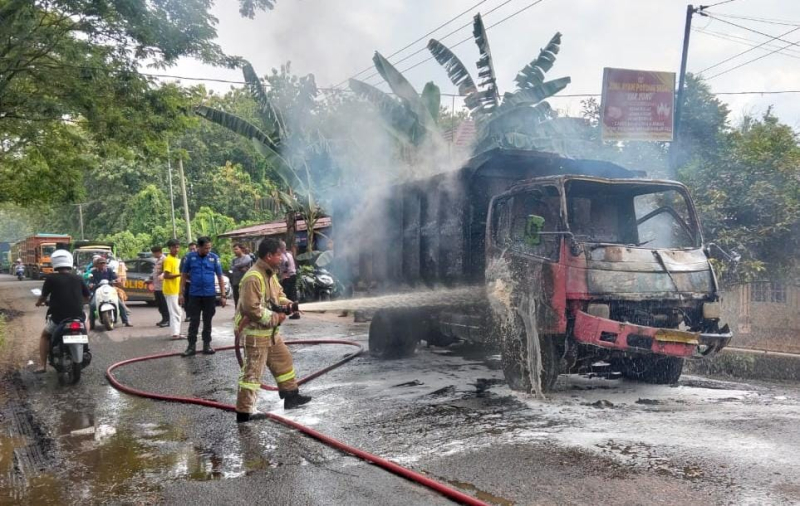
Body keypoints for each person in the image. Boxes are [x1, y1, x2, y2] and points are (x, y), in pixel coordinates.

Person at [234, 238, 311, 422]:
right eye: (279, 255)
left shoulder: (269, 274)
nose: (282, 258)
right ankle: (244, 412)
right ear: (269, 256)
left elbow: (279, 297)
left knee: (284, 360)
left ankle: (291, 397)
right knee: (252, 374)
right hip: (255, 334)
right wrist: (277, 317)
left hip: (271, 333)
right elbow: (252, 309)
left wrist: (290, 305)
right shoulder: (253, 277)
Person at [34, 250, 90, 373]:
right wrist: (80, 302)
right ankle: (85, 345)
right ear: (70, 262)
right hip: (77, 317)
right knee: (86, 322)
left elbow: (43, 297)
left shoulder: (51, 278)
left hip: (58, 319)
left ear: (55, 263)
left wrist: (39, 303)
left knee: (45, 336)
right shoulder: (78, 278)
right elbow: (87, 297)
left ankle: (42, 366)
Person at [179, 236, 226, 356]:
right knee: (194, 321)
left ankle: (207, 345)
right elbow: (183, 275)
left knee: (207, 320)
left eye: (209, 248)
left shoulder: (214, 258)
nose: (208, 250)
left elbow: (220, 276)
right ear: (199, 247)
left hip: (209, 295)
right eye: (206, 248)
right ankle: (191, 346)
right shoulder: (190, 257)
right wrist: (181, 293)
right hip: (194, 294)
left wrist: (223, 295)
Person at [88, 256, 132, 329]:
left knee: (120, 304)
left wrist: (117, 279)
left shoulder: (109, 270)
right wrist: (91, 284)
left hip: (110, 289)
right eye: (101, 263)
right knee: (92, 305)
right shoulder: (93, 272)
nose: (102, 265)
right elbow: (91, 281)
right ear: (97, 265)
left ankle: (126, 321)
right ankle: (91, 324)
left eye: (104, 263)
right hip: (98, 291)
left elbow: (115, 277)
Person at [163, 239, 183, 339]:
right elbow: (166, 275)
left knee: (178, 311)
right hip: (170, 290)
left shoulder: (176, 259)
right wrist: (180, 274)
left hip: (176, 289)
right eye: (174, 247)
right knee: (175, 312)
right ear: (170, 248)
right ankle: (175, 334)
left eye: (178, 247)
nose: (176, 249)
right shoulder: (168, 259)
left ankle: (176, 332)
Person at [278, 240, 300, 319]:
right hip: (293, 275)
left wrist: (284, 274)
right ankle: (295, 312)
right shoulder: (289, 254)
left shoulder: (283, 256)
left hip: (288, 277)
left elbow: (286, 264)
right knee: (293, 295)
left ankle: (288, 311)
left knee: (285, 295)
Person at [230, 243, 253, 308]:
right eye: (234, 249)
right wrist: (240, 267)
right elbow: (231, 268)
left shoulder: (247, 257)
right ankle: (237, 314)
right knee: (236, 299)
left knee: (245, 299)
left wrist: (236, 266)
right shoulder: (234, 259)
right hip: (236, 282)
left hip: (245, 282)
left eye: (236, 249)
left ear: (241, 249)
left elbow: (244, 263)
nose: (235, 251)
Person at [151, 246, 170, 327]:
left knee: (164, 304)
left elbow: (166, 271)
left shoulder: (164, 259)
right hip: (157, 286)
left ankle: (167, 320)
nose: (153, 254)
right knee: (159, 304)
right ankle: (163, 319)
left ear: (158, 252)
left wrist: (162, 275)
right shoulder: (157, 260)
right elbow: (155, 272)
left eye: (154, 253)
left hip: (162, 287)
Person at [180, 242, 197, 322]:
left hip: (196, 282)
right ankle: (188, 315)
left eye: (194, 248)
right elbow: (182, 270)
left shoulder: (200, 257)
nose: (192, 250)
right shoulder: (185, 258)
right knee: (187, 299)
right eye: (191, 249)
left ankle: (195, 315)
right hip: (187, 282)